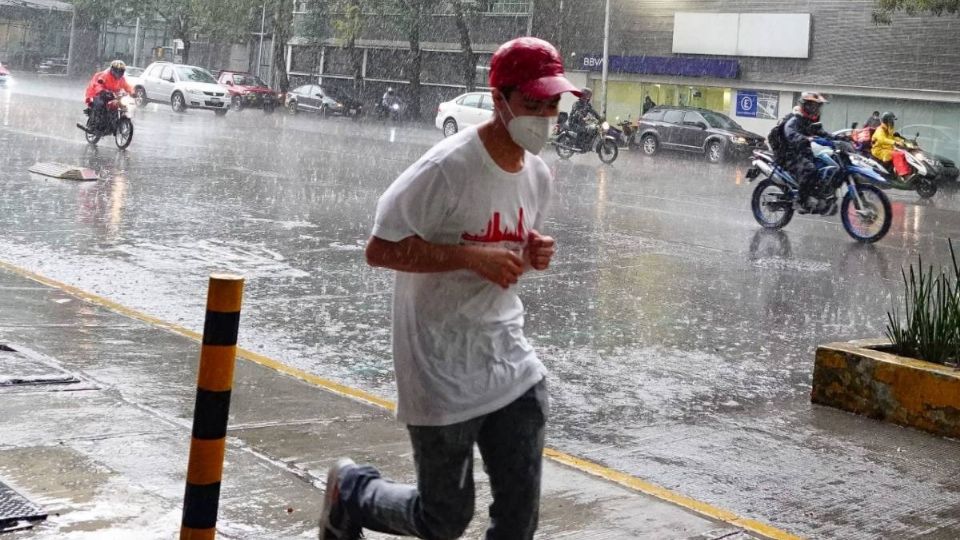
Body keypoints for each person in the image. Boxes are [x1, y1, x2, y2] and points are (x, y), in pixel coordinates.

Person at [317, 36, 578, 540]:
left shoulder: (538, 175)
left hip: (511, 364)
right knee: (443, 518)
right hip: (438, 365)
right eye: (533, 104)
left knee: (519, 519)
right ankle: (351, 491)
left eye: (553, 105)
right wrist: (467, 257)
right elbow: (380, 249)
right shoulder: (445, 169)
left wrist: (532, 252)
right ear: (500, 100)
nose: (545, 117)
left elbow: (508, 246)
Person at [780, 91, 834, 213]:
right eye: (814, 106)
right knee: (809, 169)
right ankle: (800, 200)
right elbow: (790, 133)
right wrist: (804, 138)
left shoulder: (810, 121)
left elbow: (823, 134)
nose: (816, 109)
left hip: (803, 153)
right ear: (807, 106)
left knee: (822, 166)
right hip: (789, 155)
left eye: (818, 107)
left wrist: (839, 138)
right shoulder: (795, 119)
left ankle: (818, 196)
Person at [83, 60, 133, 130]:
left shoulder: (121, 79)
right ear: (112, 69)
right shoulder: (104, 75)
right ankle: (94, 124)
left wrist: (133, 92)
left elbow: (127, 86)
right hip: (96, 94)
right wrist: (102, 91)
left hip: (111, 95)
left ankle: (115, 122)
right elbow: (98, 84)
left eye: (121, 71)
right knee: (101, 105)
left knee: (120, 105)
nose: (118, 73)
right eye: (117, 71)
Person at [871, 112, 911, 178]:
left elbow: (893, 137)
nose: (892, 122)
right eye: (891, 121)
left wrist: (903, 141)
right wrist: (894, 142)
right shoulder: (880, 129)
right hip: (879, 150)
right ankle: (903, 174)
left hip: (887, 148)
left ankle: (906, 170)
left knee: (904, 153)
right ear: (887, 121)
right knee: (897, 154)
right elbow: (882, 139)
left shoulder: (888, 129)